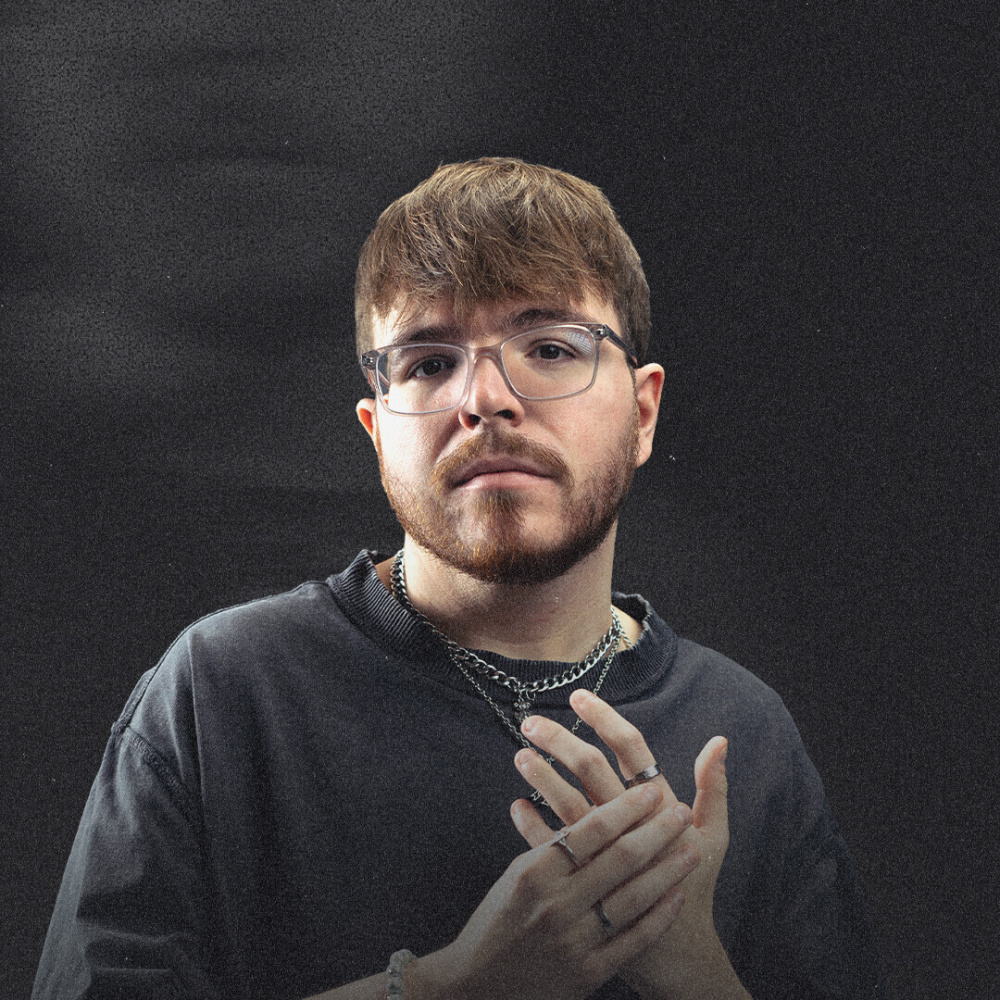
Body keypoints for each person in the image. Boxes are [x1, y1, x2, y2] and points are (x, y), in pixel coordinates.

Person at [33, 157, 882, 1000]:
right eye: (430, 363)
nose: (486, 399)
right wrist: (453, 986)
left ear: (643, 412)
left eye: (550, 348)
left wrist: (697, 976)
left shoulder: (745, 734)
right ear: (376, 430)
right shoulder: (221, 692)